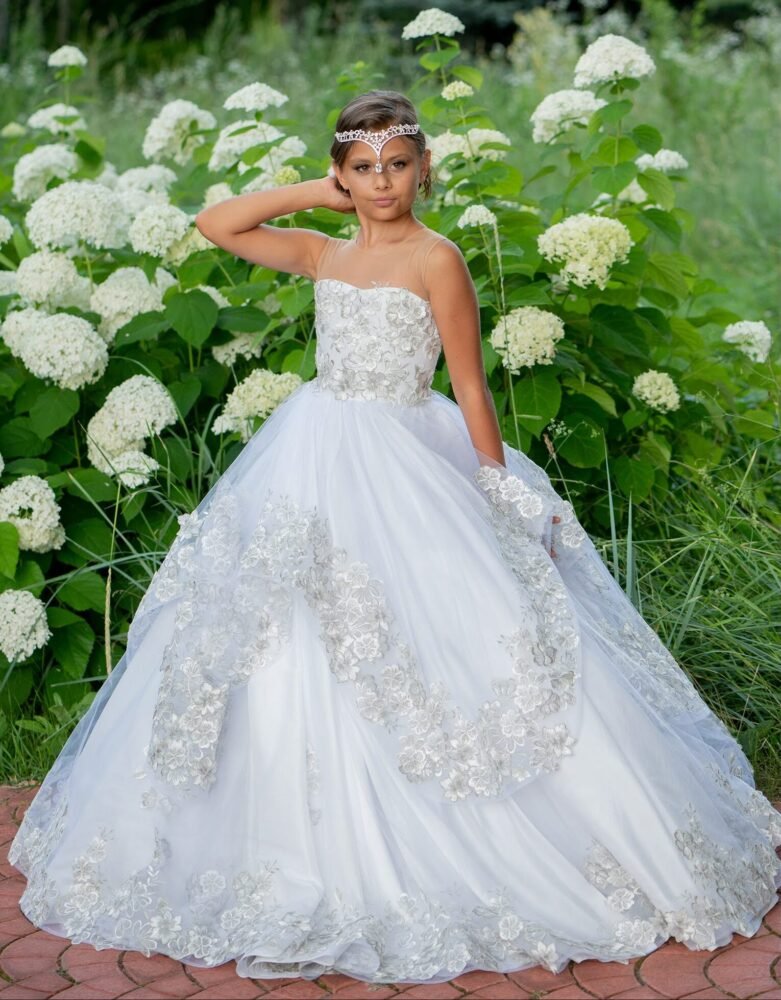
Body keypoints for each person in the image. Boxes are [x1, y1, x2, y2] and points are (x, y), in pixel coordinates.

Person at [8, 89, 781, 986]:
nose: (381, 183)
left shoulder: (437, 259)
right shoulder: (323, 251)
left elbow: (471, 385)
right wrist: (316, 190)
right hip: (312, 454)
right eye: (363, 167)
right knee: (280, 631)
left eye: (397, 164)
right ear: (343, 173)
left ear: (424, 169)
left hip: (409, 461)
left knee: (439, 637)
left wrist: (498, 492)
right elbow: (216, 223)